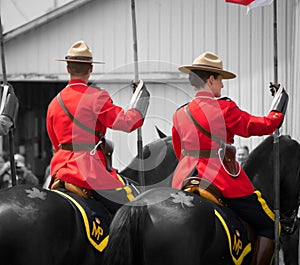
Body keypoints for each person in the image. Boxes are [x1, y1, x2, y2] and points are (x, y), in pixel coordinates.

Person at [171, 52, 288, 265]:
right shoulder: (224, 108)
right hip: (220, 180)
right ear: (211, 79)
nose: (222, 86)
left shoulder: (180, 113)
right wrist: (278, 107)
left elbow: (179, 151)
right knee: (270, 223)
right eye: (220, 80)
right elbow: (259, 125)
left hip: (184, 179)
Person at [47, 40, 150, 214]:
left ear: (68, 69)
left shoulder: (54, 103)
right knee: (131, 212)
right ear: (90, 69)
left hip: (59, 170)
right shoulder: (96, 97)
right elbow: (127, 123)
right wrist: (141, 101)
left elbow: (55, 143)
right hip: (89, 171)